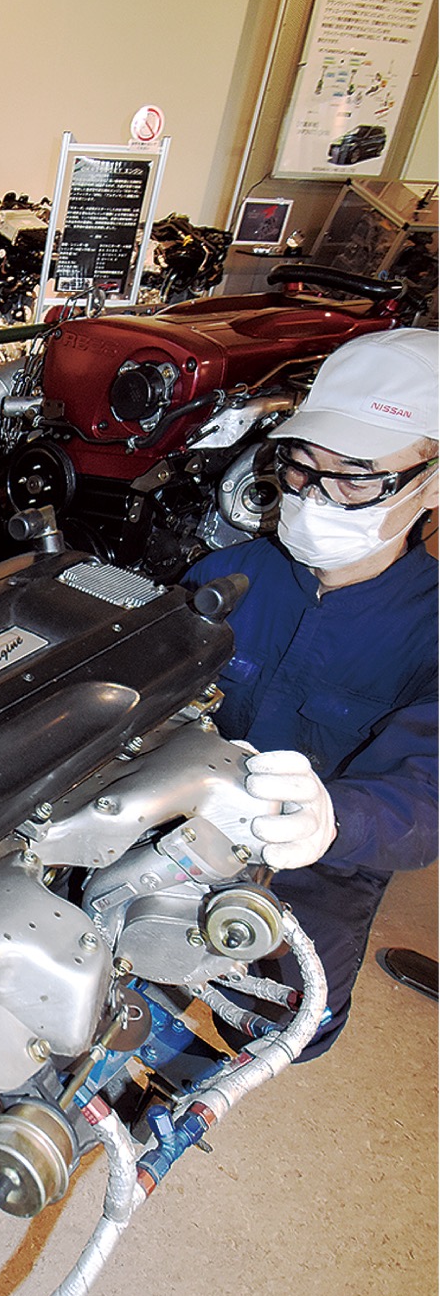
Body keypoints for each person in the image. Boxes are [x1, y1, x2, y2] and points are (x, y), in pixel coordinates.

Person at [182, 326, 438, 1058]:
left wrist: (336, 818)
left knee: (277, 1028)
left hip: (324, 863)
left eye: (355, 477)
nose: (315, 496)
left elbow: (430, 792)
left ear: (432, 483)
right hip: (187, 824)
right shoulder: (227, 576)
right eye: (302, 465)